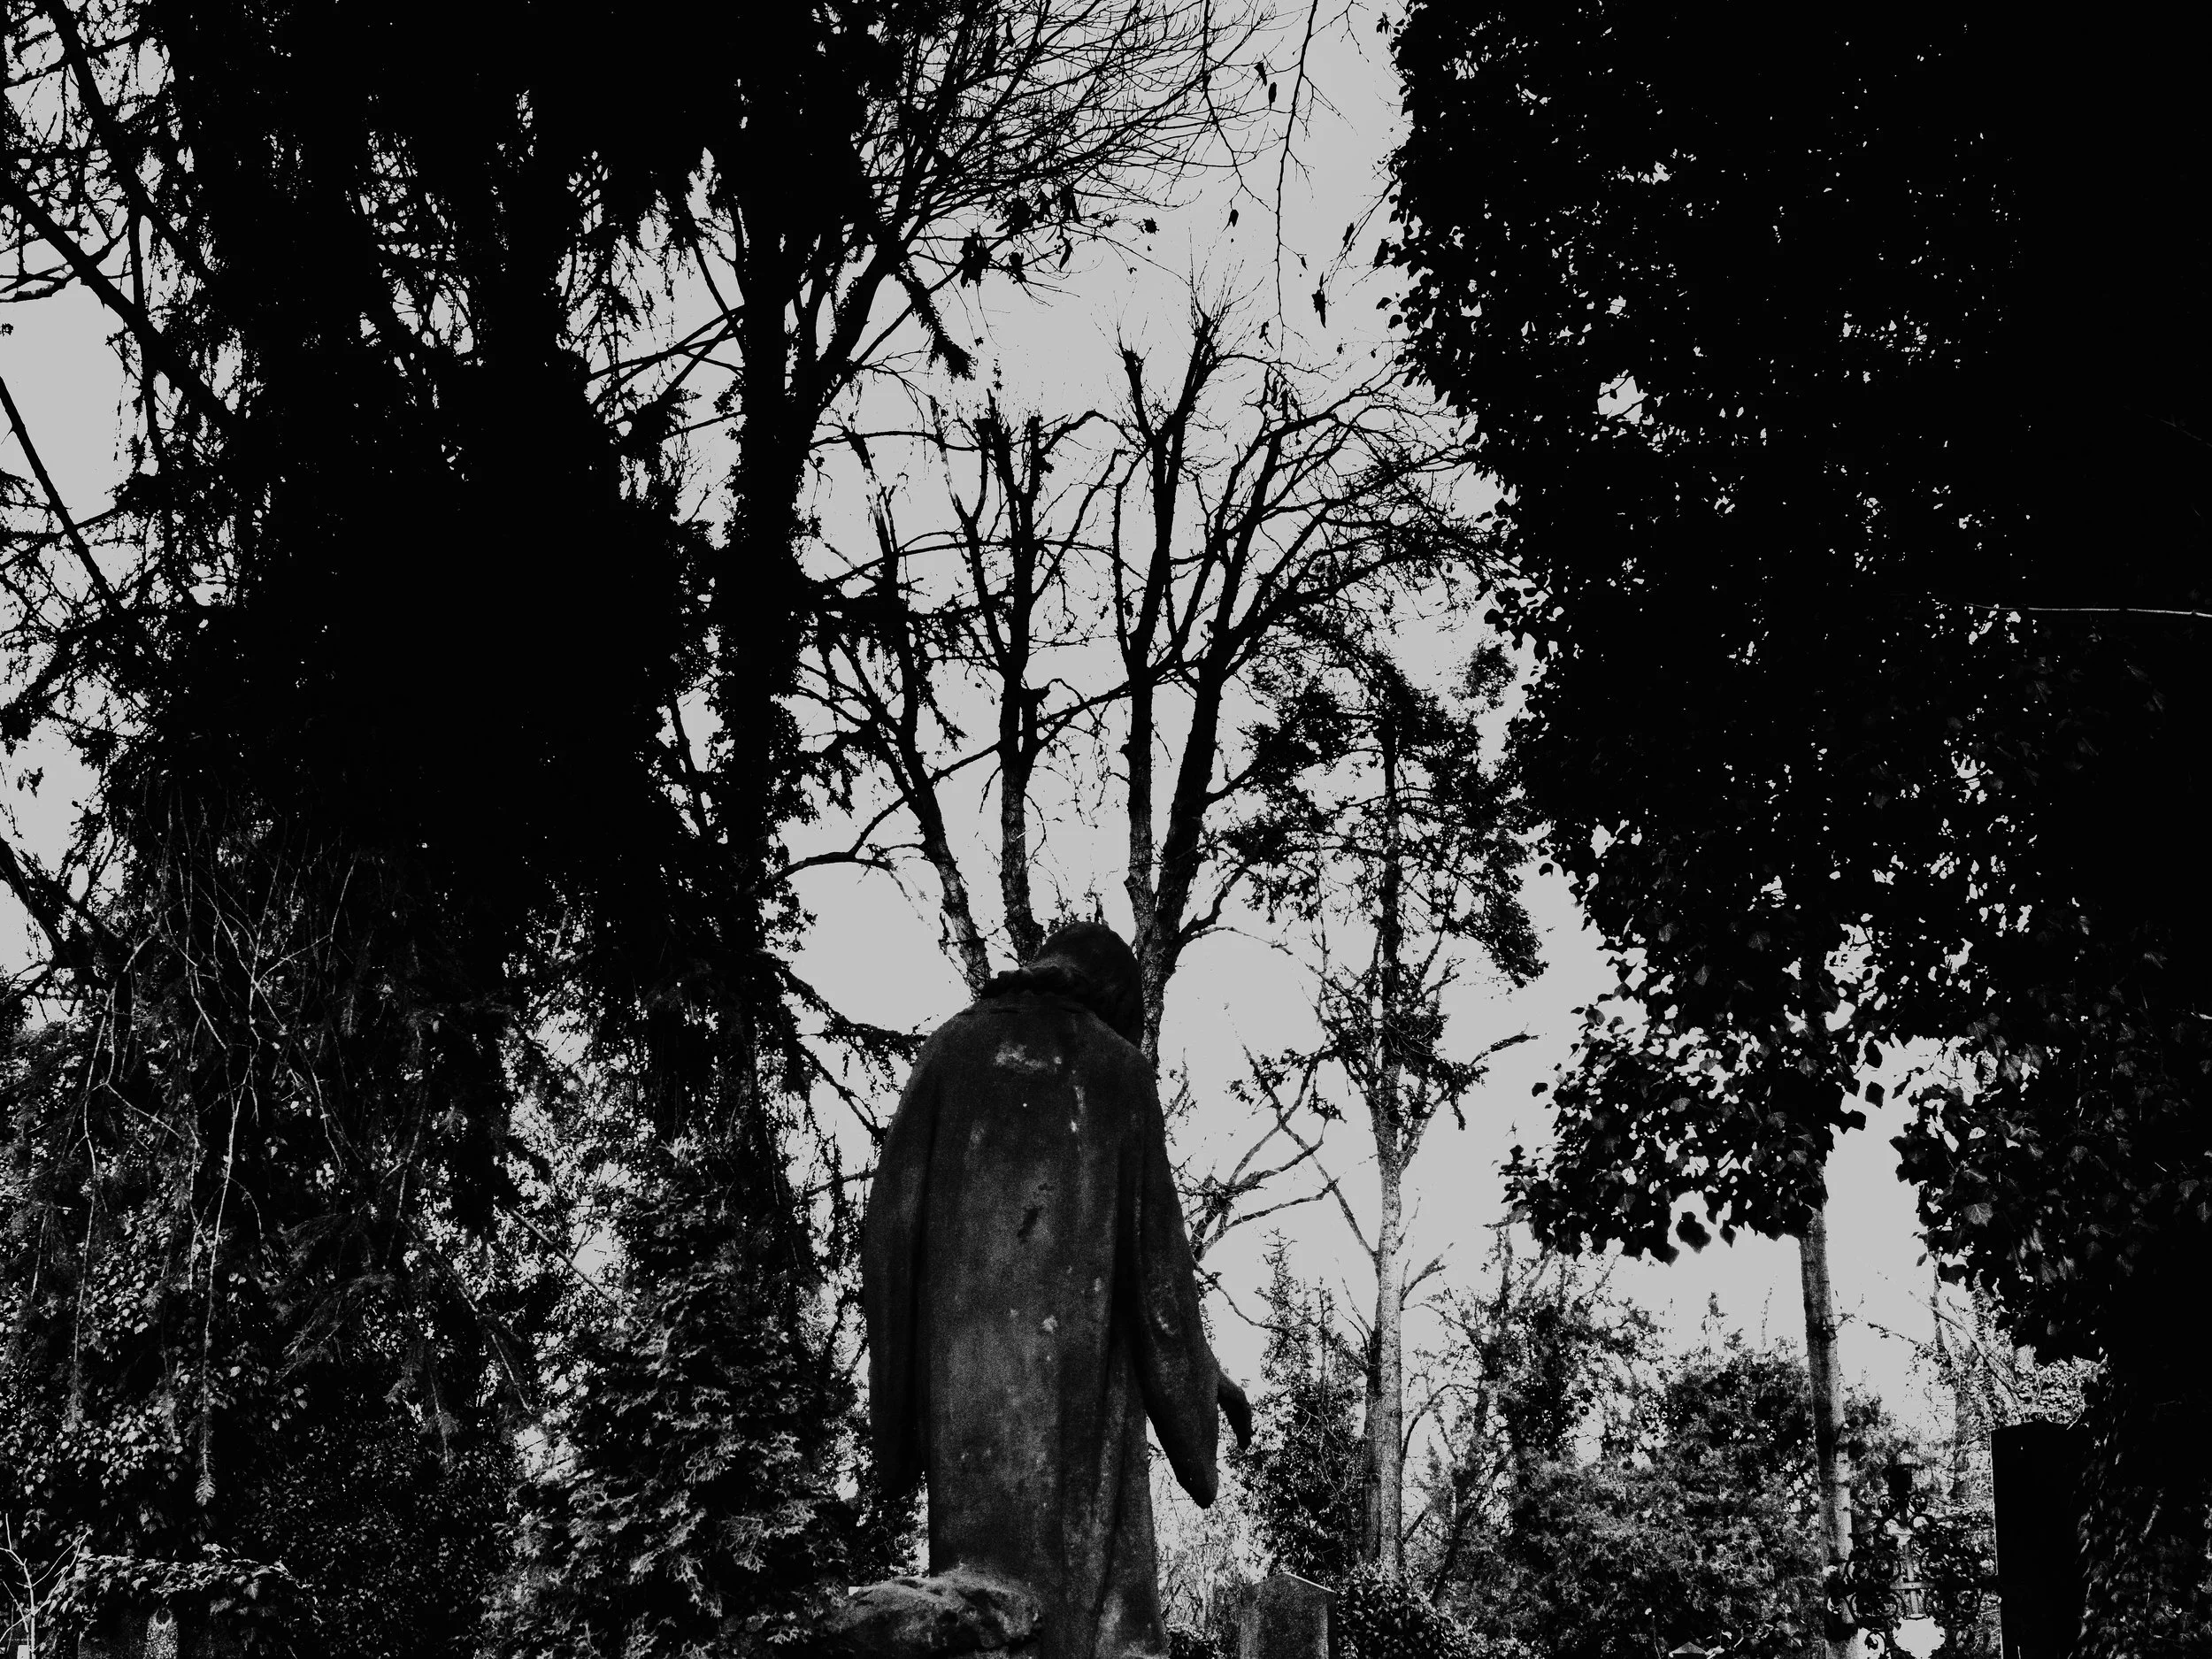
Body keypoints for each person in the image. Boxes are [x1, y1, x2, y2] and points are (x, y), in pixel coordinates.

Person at [864, 922, 1251, 1659]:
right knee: (1091, 1619)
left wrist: (897, 1429)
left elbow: (888, 1239)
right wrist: (1199, 1401)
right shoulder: (1118, 1070)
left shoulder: (948, 1050)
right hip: (1081, 1434)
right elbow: (1160, 1290)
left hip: (967, 1431)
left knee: (981, 1613)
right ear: (1116, 999)